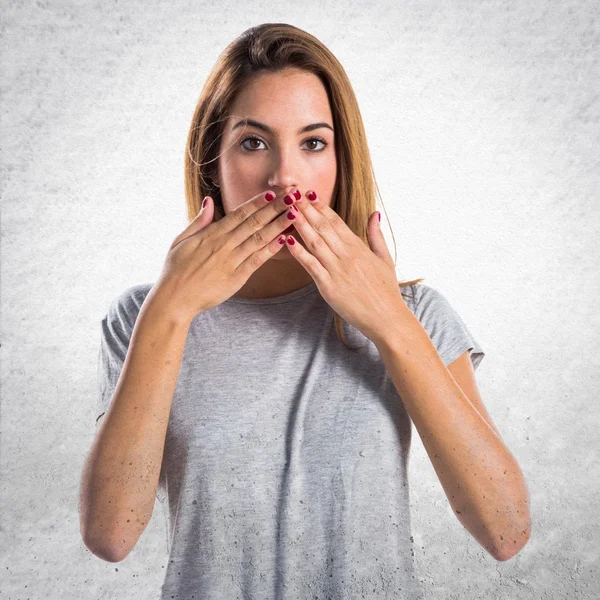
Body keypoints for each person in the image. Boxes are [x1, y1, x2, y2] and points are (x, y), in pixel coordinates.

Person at [79, 23, 531, 599]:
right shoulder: (145, 315)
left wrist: (389, 321)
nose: (284, 177)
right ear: (211, 164)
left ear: (343, 160)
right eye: (253, 142)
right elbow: (110, 535)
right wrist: (170, 311)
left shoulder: (418, 312)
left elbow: (507, 531)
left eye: (313, 143)